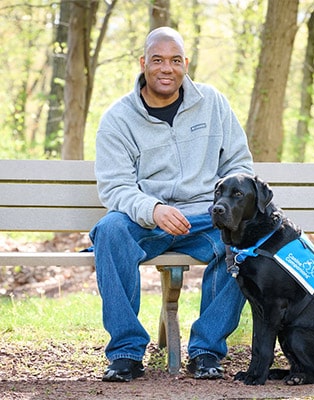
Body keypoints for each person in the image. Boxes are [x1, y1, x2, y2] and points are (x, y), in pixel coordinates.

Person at [89, 26, 254, 382]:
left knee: (243, 241)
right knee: (110, 230)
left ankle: (207, 350)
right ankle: (126, 353)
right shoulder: (118, 119)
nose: (167, 68)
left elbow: (239, 164)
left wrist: (225, 206)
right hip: (148, 220)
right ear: (143, 63)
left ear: (186, 64)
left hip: (206, 217)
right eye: (158, 60)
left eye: (175, 60)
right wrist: (153, 209)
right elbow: (115, 188)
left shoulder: (213, 104)